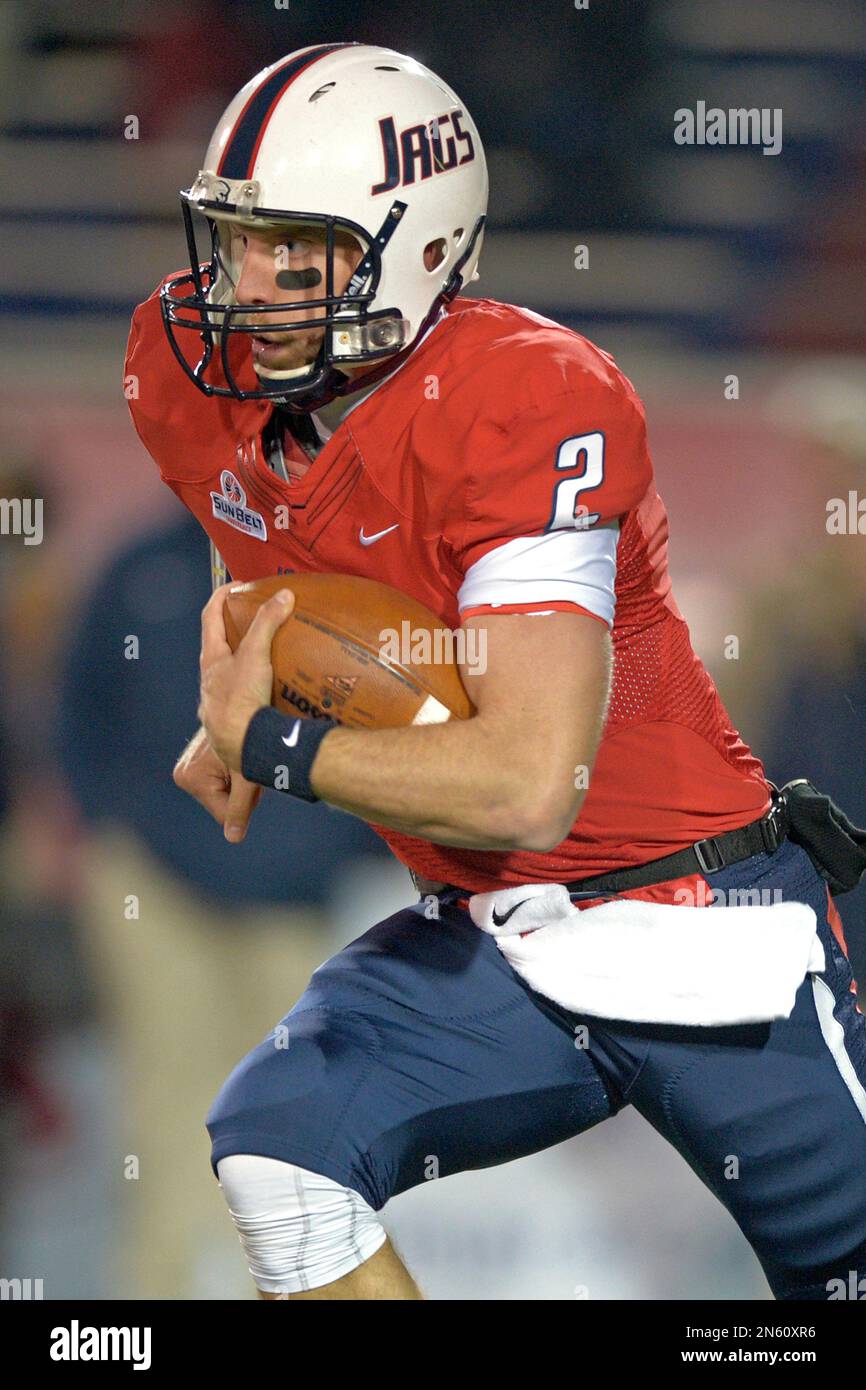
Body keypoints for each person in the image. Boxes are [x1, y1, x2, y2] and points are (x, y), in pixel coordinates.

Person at [125, 42, 866, 1300]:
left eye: (294, 251)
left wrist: (276, 744)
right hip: (489, 938)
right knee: (278, 1151)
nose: (246, 287)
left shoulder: (522, 398)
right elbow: (255, 538)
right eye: (237, 242)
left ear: (412, 249)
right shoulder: (191, 373)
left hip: (691, 922)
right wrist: (234, 677)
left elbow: (531, 784)